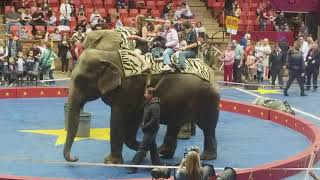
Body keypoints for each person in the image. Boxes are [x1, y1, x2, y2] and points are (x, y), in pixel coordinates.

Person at [128, 87, 161, 173]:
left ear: (151, 95)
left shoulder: (155, 106)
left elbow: (155, 119)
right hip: (148, 130)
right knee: (153, 147)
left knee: (142, 149)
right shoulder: (149, 104)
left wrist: (145, 126)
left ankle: (133, 166)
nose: (144, 95)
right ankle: (157, 164)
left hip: (151, 130)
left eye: (146, 93)